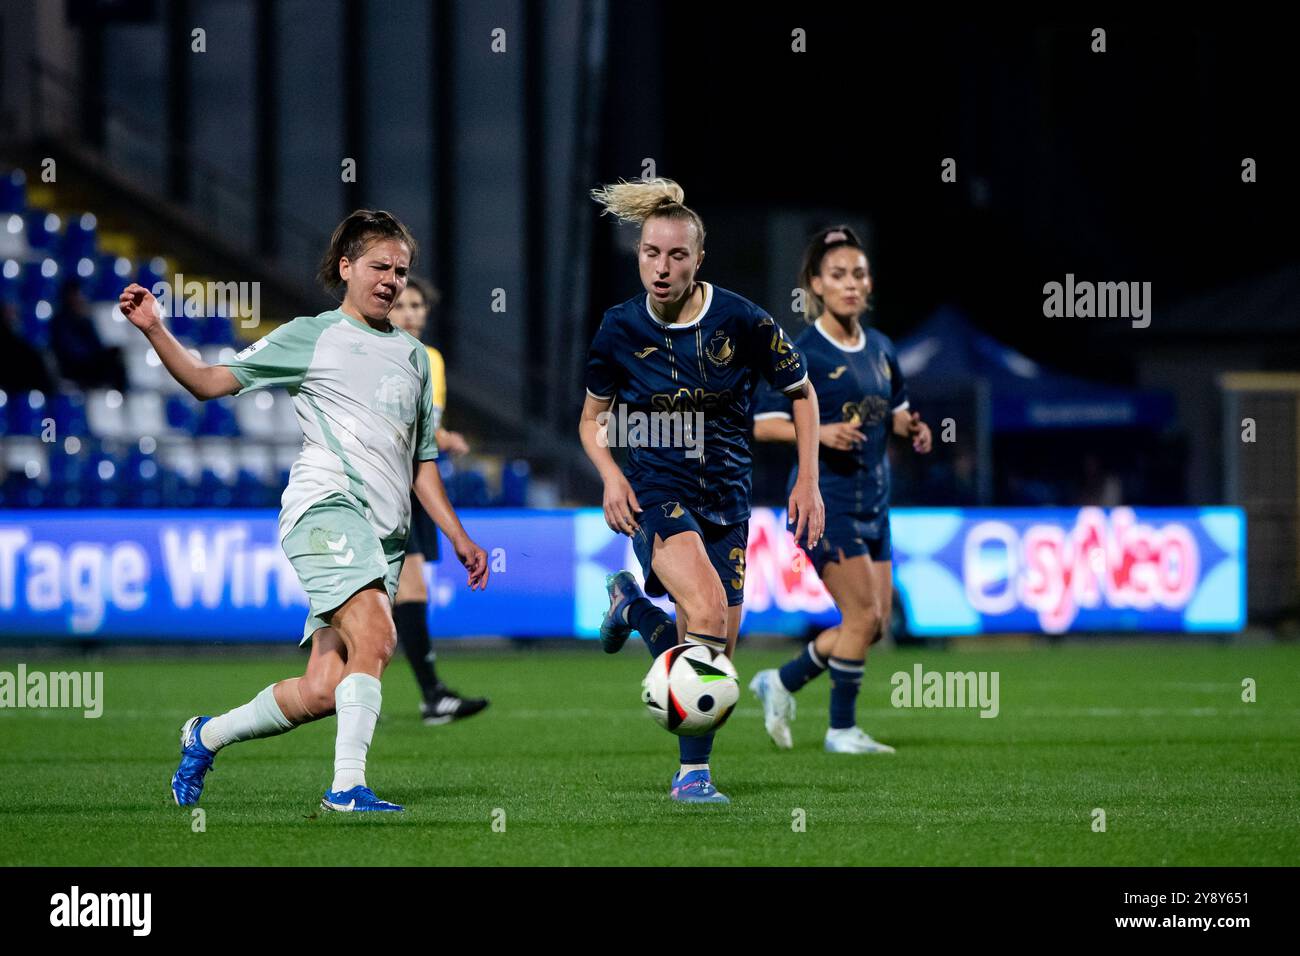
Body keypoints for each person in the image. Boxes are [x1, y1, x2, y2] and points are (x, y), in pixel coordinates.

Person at [118, 209, 489, 813]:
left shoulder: (415, 359)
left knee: (322, 692)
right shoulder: (310, 336)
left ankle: (203, 736)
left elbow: (422, 466)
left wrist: (460, 537)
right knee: (376, 633)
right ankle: (346, 789)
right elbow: (210, 382)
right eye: (379, 267)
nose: (392, 280)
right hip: (325, 509)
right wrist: (155, 328)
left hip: (383, 539)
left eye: (400, 270)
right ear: (346, 268)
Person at [578, 178, 824, 803]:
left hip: (729, 503)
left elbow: (801, 394)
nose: (662, 268)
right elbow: (591, 419)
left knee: (711, 657)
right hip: (658, 495)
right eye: (651, 253)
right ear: (639, 253)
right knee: (709, 617)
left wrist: (809, 481)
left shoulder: (742, 319)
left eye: (677, 255)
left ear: (698, 259)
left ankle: (632, 609)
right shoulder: (618, 329)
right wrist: (611, 475)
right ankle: (693, 778)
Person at [751, 225, 931, 753]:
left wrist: (912, 428)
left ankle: (781, 681)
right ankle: (841, 730)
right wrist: (821, 431)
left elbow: (894, 411)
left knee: (871, 626)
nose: (850, 284)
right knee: (865, 617)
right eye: (837, 275)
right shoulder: (800, 350)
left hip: (876, 504)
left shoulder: (881, 348)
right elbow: (763, 423)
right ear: (815, 285)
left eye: (858, 274)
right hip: (824, 503)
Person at [387, 276, 488, 723]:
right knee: (399, 589)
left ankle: (340, 689)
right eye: (401, 304)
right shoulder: (376, 354)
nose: (410, 312)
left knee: (396, 590)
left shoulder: (432, 361)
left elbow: (422, 425)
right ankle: (431, 695)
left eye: (417, 305)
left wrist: (439, 436)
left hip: (414, 483)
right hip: (382, 484)